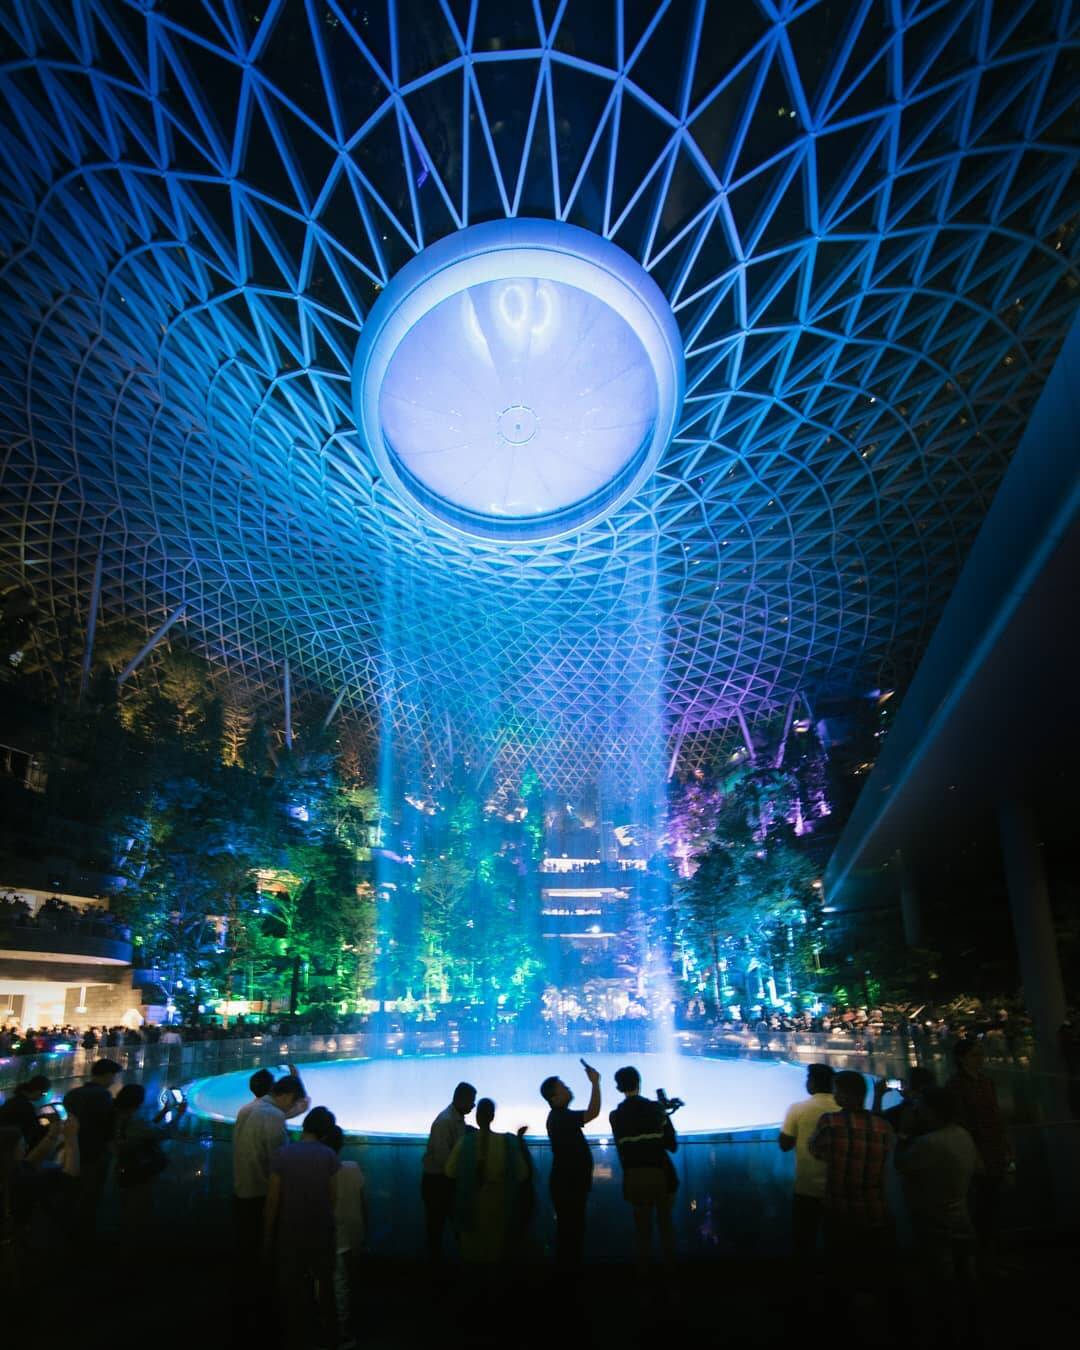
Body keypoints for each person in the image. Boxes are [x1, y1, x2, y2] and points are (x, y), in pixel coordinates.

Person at [895, 1085, 977, 1340]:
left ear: (931, 1112)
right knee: (965, 1273)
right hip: (961, 1216)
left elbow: (902, 1164)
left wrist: (905, 1132)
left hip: (935, 1221)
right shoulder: (962, 1134)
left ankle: (945, 1328)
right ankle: (970, 1323)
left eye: (920, 1109)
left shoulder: (929, 1143)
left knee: (941, 1277)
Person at [264, 1105, 340, 1350]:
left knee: (291, 1287)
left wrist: (267, 1235)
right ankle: (329, 1337)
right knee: (325, 1286)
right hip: (321, 1230)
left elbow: (273, 1199)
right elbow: (333, 1196)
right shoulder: (329, 1156)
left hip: (290, 1230)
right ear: (325, 1132)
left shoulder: (283, 1154)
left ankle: (293, 1337)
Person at [808, 1070, 893, 1260]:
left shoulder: (830, 1121)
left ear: (846, 1095)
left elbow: (814, 1150)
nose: (834, 1095)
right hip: (874, 1209)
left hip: (839, 1209)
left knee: (841, 1264)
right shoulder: (883, 1126)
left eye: (836, 1091)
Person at [945, 1039, 1013, 1270]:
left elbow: (995, 1117)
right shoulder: (958, 1085)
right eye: (975, 1055)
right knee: (981, 1204)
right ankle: (981, 1257)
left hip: (991, 1148)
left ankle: (986, 1255)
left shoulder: (984, 1082)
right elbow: (964, 1120)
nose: (980, 1059)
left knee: (990, 1202)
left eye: (980, 1054)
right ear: (962, 1058)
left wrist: (1004, 1146)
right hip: (979, 1151)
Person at [608, 1065, 678, 1278]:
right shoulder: (655, 1110)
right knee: (666, 1228)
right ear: (639, 1082)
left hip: (634, 1177)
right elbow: (672, 1145)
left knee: (642, 1232)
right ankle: (671, 1276)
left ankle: (643, 1278)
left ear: (619, 1087)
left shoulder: (615, 1116)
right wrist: (666, 1115)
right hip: (661, 1174)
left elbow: (622, 1149)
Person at [445, 1098, 529, 1268]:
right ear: (492, 1116)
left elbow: (449, 1171)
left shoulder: (464, 1143)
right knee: (495, 1255)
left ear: (477, 1117)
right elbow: (522, 1174)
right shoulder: (507, 1143)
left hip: (469, 1210)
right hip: (499, 1211)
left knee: (471, 1256)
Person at [540, 1058, 601, 1274]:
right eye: (563, 1088)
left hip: (567, 1184)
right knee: (571, 1234)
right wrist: (595, 1083)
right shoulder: (560, 1117)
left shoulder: (558, 1117)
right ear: (555, 1097)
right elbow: (592, 1113)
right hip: (569, 1186)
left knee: (569, 1233)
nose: (568, 1089)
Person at [778, 1063, 839, 1262]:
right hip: (840, 1190)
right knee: (836, 1242)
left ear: (811, 1083)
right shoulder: (842, 1110)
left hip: (806, 1189)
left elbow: (785, 1144)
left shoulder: (798, 1109)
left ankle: (805, 1285)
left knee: (804, 1242)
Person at [113, 1083, 186, 1240]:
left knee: (126, 1203)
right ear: (138, 1101)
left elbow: (147, 1128)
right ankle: (135, 1242)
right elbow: (161, 1133)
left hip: (122, 1166)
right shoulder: (134, 1120)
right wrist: (179, 1115)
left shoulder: (119, 1115)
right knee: (139, 1206)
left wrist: (164, 1111)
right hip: (138, 1169)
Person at [62, 1057, 122, 1238]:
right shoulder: (103, 1096)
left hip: (73, 1148)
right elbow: (107, 1127)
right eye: (113, 1077)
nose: (113, 1081)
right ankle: (85, 1232)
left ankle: (68, 1226)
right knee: (91, 1192)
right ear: (107, 1075)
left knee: (74, 1187)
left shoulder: (73, 1094)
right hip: (95, 1151)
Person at [420, 1080, 476, 1263]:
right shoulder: (445, 1122)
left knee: (438, 1228)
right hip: (438, 1184)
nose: (473, 1106)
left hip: (443, 1182)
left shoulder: (455, 1119)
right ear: (462, 1100)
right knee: (438, 1229)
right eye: (471, 1102)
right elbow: (444, 1160)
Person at [326, 1124, 367, 1350]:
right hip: (354, 1234)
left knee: (337, 1285)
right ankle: (345, 1330)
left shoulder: (321, 1172)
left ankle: (337, 1332)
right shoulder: (353, 1168)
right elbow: (363, 1204)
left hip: (335, 1238)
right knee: (348, 1285)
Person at [0, 1074, 51, 1150]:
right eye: (44, 1093)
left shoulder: (12, 1101)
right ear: (37, 1090)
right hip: (13, 1147)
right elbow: (33, 1129)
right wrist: (48, 1124)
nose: (44, 1096)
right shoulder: (25, 1106)